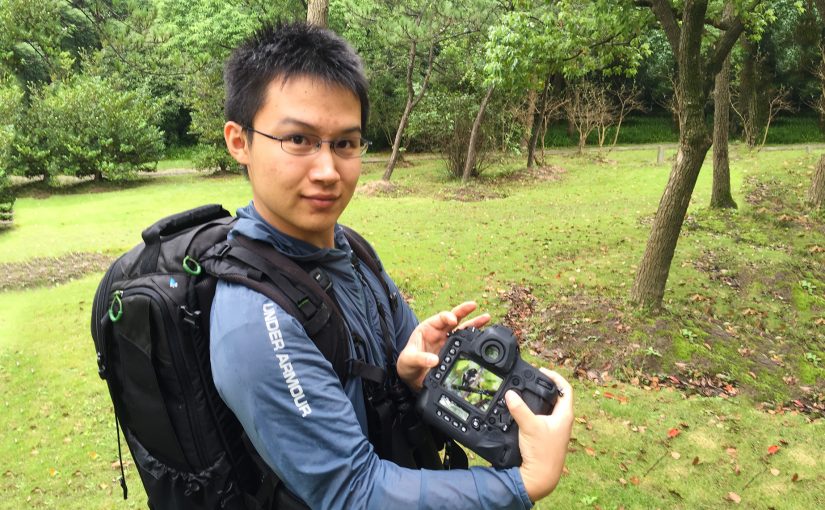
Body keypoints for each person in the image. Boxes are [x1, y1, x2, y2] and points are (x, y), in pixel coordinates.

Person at [211, 21, 574, 509]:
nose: (327, 170)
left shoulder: (348, 247)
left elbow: (385, 379)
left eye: (345, 143)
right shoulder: (253, 323)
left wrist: (407, 368)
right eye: (298, 139)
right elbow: (352, 492)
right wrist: (524, 483)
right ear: (240, 142)